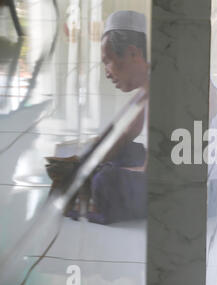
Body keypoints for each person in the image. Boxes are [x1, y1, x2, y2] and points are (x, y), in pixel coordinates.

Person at [69, 10, 150, 224]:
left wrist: (100, 170)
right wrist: (84, 162)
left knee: (105, 180)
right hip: (175, 170)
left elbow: (158, 170)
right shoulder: (150, 85)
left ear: (133, 53)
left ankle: (99, 203)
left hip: (201, 187)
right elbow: (123, 134)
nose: (106, 72)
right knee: (108, 153)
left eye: (108, 61)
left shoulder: (167, 89)